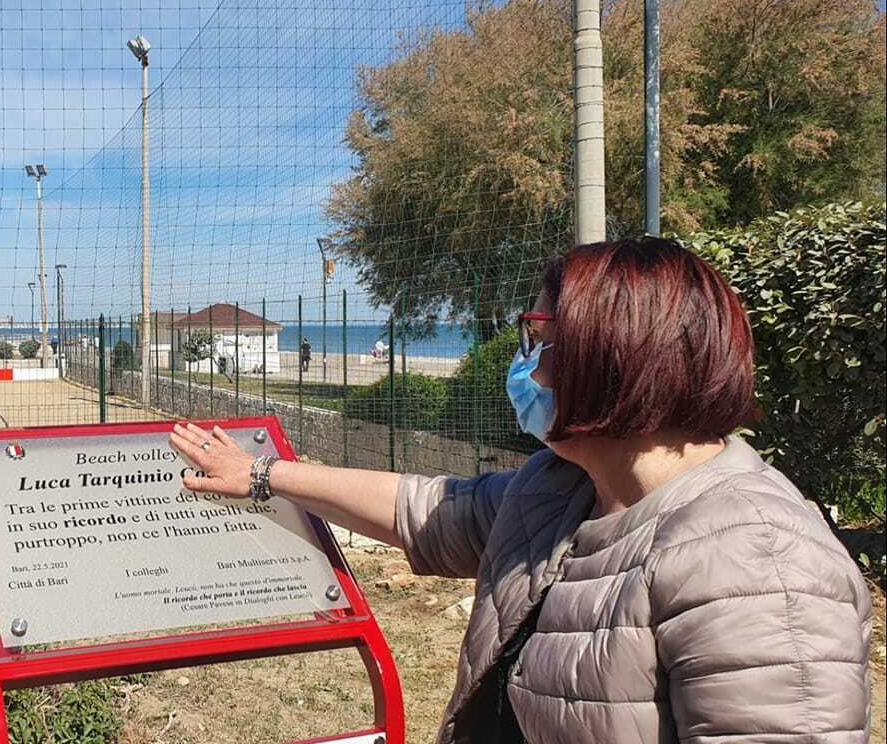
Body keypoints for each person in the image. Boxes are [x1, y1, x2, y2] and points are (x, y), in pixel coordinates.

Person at [169, 238, 871, 743]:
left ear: (613, 354)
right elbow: (426, 511)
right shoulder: (563, 489)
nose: (523, 360)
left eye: (537, 336)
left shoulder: (760, 565)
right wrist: (260, 476)